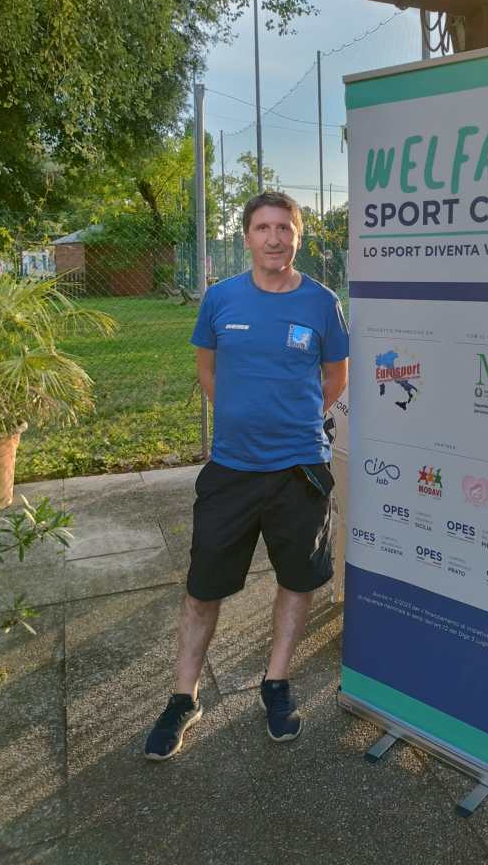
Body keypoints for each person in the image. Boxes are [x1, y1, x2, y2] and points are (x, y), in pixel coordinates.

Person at [145, 191, 348, 760]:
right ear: (247, 237)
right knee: (202, 588)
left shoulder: (322, 303)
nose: (274, 238)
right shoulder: (221, 299)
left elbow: (336, 376)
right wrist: (243, 416)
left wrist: (294, 422)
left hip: (299, 470)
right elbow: (207, 371)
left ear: (298, 237)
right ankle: (184, 696)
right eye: (263, 228)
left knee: (298, 581)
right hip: (231, 469)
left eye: (285, 228)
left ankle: (276, 682)